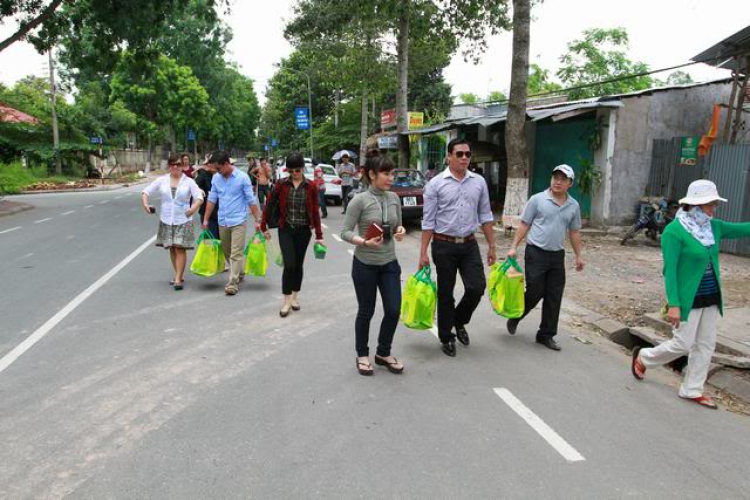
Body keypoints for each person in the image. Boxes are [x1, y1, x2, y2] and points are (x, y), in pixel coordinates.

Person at [632, 180, 750, 409]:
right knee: (682, 344)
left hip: (711, 297)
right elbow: (670, 271)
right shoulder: (674, 232)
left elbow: (744, 229)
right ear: (695, 204)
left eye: (714, 204)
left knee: (706, 345)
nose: (714, 209)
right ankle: (645, 357)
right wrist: (674, 304)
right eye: (710, 204)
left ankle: (692, 389)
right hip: (688, 299)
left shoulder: (712, 227)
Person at [419, 138, 496, 357]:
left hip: (469, 244)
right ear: (448, 156)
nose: (464, 158)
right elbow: (428, 221)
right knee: (446, 293)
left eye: (467, 154)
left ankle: (459, 320)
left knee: (477, 287)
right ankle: (446, 337)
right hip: (443, 244)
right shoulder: (435, 184)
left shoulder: (479, 182)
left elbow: (485, 215)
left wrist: (492, 246)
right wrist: (423, 252)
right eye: (459, 154)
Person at [342, 150, 406, 376]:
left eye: (392, 174)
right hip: (364, 264)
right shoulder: (359, 201)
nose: (391, 178)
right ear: (371, 174)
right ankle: (362, 354)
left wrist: (400, 230)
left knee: (394, 309)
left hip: (389, 263)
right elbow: (345, 232)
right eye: (386, 174)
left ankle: (383, 352)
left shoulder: (394, 198)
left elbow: (397, 224)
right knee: (366, 310)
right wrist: (363, 242)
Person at [506, 165, 584, 351]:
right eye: (555, 177)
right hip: (536, 252)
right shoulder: (538, 200)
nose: (558, 181)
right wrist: (513, 247)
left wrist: (579, 256)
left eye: (563, 179)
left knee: (554, 295)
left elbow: (574, 232)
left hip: (557, 255)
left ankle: (546, 334)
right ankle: (517, 315)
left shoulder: (573, 206)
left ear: (570, 183)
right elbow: (524, 224)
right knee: (535, 290)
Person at [261, 152, 324, 317]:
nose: (294, 173)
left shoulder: (311, 187)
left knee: (298, 264)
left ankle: (295, 296)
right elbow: (269, 204)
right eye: (291, 170)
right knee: (289, 265)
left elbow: (315, 212)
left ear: (302, 168)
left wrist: (319, 235)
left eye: (297, 170)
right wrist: (263, 225)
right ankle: (286, 300)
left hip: (304, 231)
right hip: (286, 229)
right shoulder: (281, 185)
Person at [202, 150, 261, 296]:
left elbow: (251, 200)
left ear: (227, 164)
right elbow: (212, 199)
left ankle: (232, 283)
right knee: (227, 251)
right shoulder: (216, 178)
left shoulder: (242, 178)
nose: (217, 171)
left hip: (238, 220)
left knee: (236, 252)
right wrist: (205, 219)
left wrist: (258, 220)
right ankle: (240, 271)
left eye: (219, 168)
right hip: (223, 220)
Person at [142, 153, 204, 290]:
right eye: (173, 164)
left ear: (182, 166)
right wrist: (146, 205)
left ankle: (178, 279)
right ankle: (179, 274)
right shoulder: (162, 180)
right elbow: (146, 191)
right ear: (169, 166)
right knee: (172, 248)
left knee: (179, 248)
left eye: (178, 164)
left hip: (183, 219)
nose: (175, 167)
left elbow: (199, 197)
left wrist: (193, 208)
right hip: (166, 219)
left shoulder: (188, 182)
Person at [194, 155, 220, 241]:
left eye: (212, 163)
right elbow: (194, 186)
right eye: (208, 163)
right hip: (207, 213)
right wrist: (200, 191)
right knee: (212, 240)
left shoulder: (222, 175)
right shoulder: (204, 175)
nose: (210, 165)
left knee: (223, 242)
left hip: (223, 213)